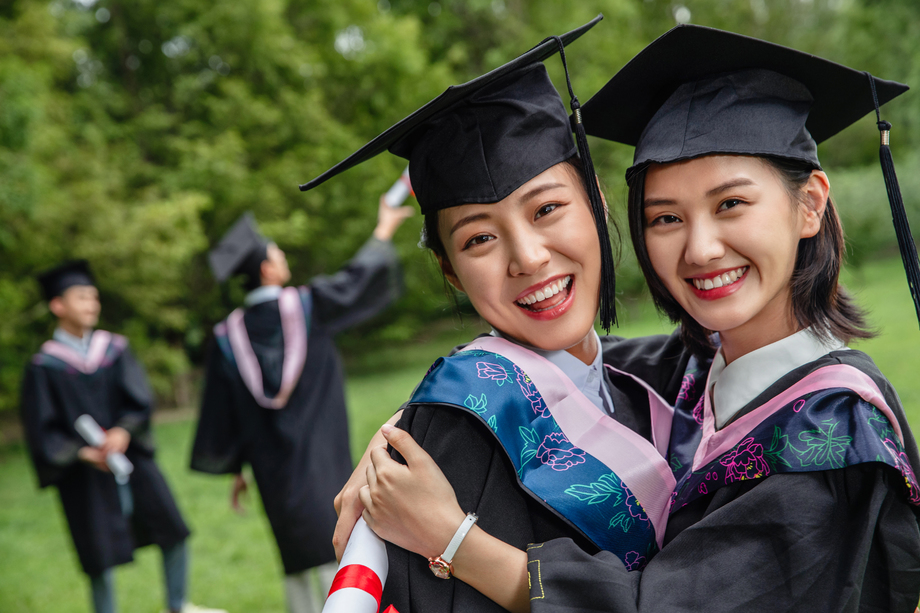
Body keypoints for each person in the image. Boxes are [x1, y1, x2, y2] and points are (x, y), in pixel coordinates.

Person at [339, 25, 920, 612]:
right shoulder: (691, 375)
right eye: (666, 217)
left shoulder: (831, 432)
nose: (701, 249)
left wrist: (454, 539)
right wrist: (418, 421)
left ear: (810, 204)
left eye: (731, 204)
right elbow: (570, 370)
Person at [300, 16, 693, 613]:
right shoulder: (454, 440)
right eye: (479, 239)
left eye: (548, 208)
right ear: (450, 271)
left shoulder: (665, 381)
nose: (528, 258)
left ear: (596, 202)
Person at [189, 200, 412, 613]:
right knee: (335, 528)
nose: (283, 257)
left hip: (270, 463)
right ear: (267, 270)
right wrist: (382, 229)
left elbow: (227, 409)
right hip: (321, 451)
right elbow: (356, 280)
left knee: (293, 549)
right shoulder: (308, 307)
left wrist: (237, 465)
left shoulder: (227, 336)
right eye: (277, 252)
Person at [20, 260, 224, 613]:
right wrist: (82, 454)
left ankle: (178, 605)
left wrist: (122, 431)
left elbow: (139, 401)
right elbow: (41, 428)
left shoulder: (114, 349)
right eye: (82, 297)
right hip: (85, 473)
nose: (92, 304)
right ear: (58, 305)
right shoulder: (44, 366)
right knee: (98, 555)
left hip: (131, 458)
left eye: (94, 297)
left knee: (172, 527)